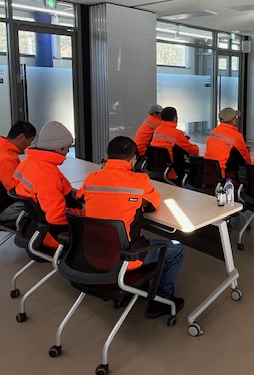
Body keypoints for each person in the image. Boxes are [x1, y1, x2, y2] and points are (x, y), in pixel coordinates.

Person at [76, 136, 185, 319]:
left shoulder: (91, 178)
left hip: (92, 253)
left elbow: (80, 197)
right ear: (134, 159)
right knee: (177, 249)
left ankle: (131, 290)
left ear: (106, 156)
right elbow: (154, 203)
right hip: (124, 257)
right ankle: (160, 301)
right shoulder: (139, 181)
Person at [13, 121, 78, 249]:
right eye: (68, 147)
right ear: (59, 148)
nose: (68, 151)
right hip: (54, 235)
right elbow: (57, 217)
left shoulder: (28, 163)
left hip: (35, 225)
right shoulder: (47, 174)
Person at [0, 120, 37, 221]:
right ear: (21, 137)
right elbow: (16, 191)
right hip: (1, 208)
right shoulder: (7, 159)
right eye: (30, 141)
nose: (29, 145)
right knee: (40, 205)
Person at [149, 106, 199, 184]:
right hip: (172, 171)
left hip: (156, 168)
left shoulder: (157, 130)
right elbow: (194, 151)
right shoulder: (177, 134)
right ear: (175, 118)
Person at [204, 107, 251, 181]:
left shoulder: (213, 132)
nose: (237, 119)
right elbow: (246, 159)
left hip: (208, 173)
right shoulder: (236, 136)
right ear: (233, 121)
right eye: (236, 117)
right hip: (224, 175)